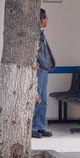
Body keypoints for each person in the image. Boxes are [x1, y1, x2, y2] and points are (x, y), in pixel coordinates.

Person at [32, 8, 56, 138]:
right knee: (37, 99)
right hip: (39, 70)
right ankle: (33, 127)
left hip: (44, 70)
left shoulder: (42, 34)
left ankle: (41, 126)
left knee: (44, 100)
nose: (47, 20)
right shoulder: (34, 35)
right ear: (40, 19)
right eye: (46, 17)